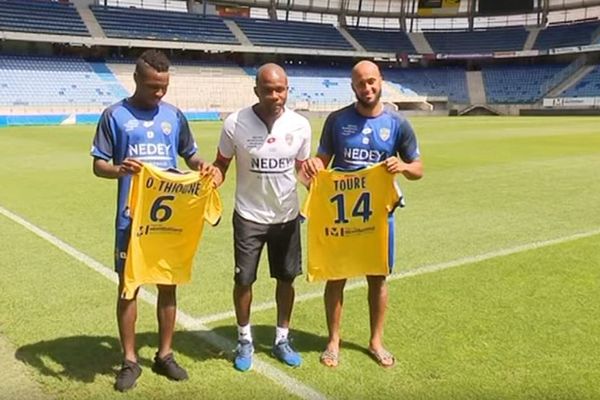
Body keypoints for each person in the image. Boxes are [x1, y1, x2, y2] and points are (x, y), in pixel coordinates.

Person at [90, 49, 217, 391]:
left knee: (168, 282)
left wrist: (203, 166)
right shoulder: (113, 116)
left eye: (164, 86)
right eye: (152, 87)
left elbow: (190, 155)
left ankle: (164, 355)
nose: (159, 93)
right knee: (129, 287)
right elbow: (98, 165)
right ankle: (130, 360)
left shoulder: (174, 116)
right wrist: (120, 169)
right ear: (136, 80)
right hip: (131, 219)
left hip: (169, 221)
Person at [301, 60, 423, 368]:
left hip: (378, 218)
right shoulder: (337, 121)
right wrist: (315, 165)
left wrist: (404, 167)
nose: (366, 88)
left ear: (381, 80)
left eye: (371, 81)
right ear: (352, 86)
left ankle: (376, 340)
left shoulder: (398, 124)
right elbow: (321, 163)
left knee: (378, 279)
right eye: (360, 83)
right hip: (341, 217)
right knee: (336, 278)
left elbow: (418, 168)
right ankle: (333, 340)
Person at [212, 63, 311, 372]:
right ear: (256, 90)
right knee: (243, 280)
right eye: (267, 89)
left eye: (280, 89)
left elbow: (302, 169)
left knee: (286, 278)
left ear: (287, 90)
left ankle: (282, 338)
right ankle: (244, 339)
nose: (274, 95)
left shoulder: (301, 125)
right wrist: (208, 179)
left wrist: (316, 180)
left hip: (286, 217)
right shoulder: (235, 123)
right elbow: (221, 165)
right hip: (249, 217)